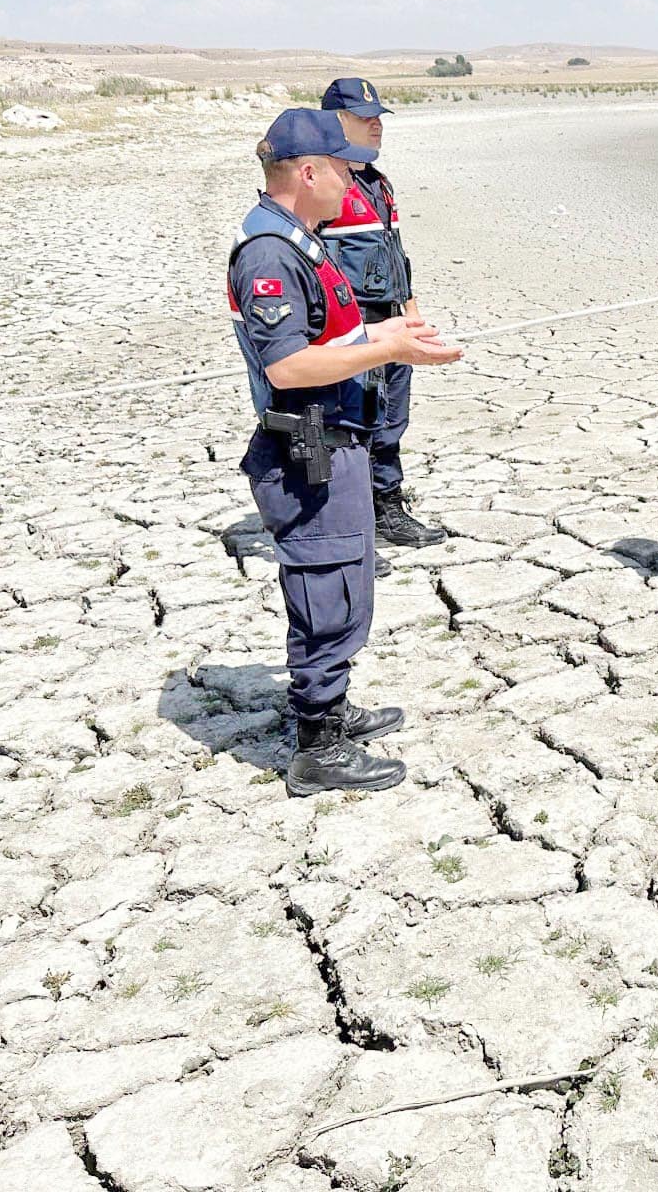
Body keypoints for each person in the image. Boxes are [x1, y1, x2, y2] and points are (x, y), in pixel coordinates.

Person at [228, 108, 463, 797]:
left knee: (348, 584)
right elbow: (288, 366)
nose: (350, 181)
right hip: (307, 451)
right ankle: (317, 748)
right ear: (308, 173)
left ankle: (331, 710)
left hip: (337, 439)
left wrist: (393, 330)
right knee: (325, 590)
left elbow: (329, 333)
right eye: (339, 168)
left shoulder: (300, 237)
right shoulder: (271, 251)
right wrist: (388, 347)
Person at [319, 76, 446, 548]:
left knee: (391, 419)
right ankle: (349, 526)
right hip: (354, 332)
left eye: (378, 118)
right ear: (336, 121)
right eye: (363, 118)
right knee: (350, 426)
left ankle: (387, 509)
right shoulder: (325, 185)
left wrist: (412, 313)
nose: (376, 126)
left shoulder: (375, 182)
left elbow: (396, 253)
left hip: (392, 321)